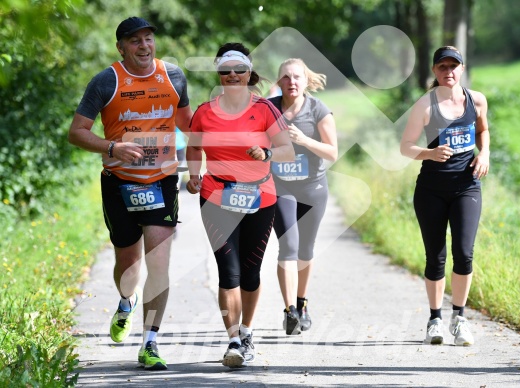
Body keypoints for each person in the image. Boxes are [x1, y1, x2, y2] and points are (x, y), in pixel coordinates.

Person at [68, 17, 192, 370]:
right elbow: (76, 132)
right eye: (134, 41)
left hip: (162, 179)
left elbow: (189, 123)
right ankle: (126, 301)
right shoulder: (107, 80)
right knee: (128, 263)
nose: (143, 46)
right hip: (119, 182)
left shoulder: (174, 76)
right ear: (121, 47)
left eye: (148, 39)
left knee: (159, 261)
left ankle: (150, 342)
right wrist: (112, 147)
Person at [185, 43, 294, 368]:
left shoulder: (264, 110)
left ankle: (246, 330)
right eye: (225, 71)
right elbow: (193, 148)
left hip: (260, 198)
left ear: (249, 74)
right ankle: (233, 339)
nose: (232, 75)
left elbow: (287, 150)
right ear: (219, 75)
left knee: (250, 272)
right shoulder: (205, 111)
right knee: (228, 272)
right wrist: (194, 176)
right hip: (217, 197)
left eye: (239, 70)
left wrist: (267, 154)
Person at [400, 46, 490, 346]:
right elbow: (406, 147)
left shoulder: (475, 100)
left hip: (467, 185)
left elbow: (483, 130)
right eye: (442, 66)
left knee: (464, 253)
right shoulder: (425, 106)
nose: (448, 71)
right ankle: (435, 319)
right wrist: (430, 152)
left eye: (454, 65)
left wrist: (485, 153)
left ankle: (460, 318)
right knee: (435, 256)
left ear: (462, 69)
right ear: (434, 71)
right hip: (431, 190)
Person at [268, 59, 338, 335]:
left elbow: (332, 152)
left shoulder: (318, 109)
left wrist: (303, 140)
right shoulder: (269, 109)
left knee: (306, 250)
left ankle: (302, 302)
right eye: (285, 77)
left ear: (306, 81)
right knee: (289, 245)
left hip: (312, 187)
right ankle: (290, 312)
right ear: (279, 82)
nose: (291, 82)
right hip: (280, 186)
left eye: (297, 77)